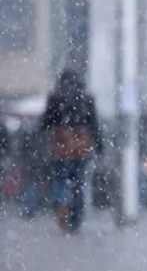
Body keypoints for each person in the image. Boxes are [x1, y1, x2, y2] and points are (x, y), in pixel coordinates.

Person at [40, 69, 103, 232]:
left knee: (60, 180)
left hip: (61, 143)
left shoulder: (56, 97)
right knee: (78, 183)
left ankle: (61, 209)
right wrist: (99, 145)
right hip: (82, 145)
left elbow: (46, 122)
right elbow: (94, 124)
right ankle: (76, 218)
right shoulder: (87, 98)